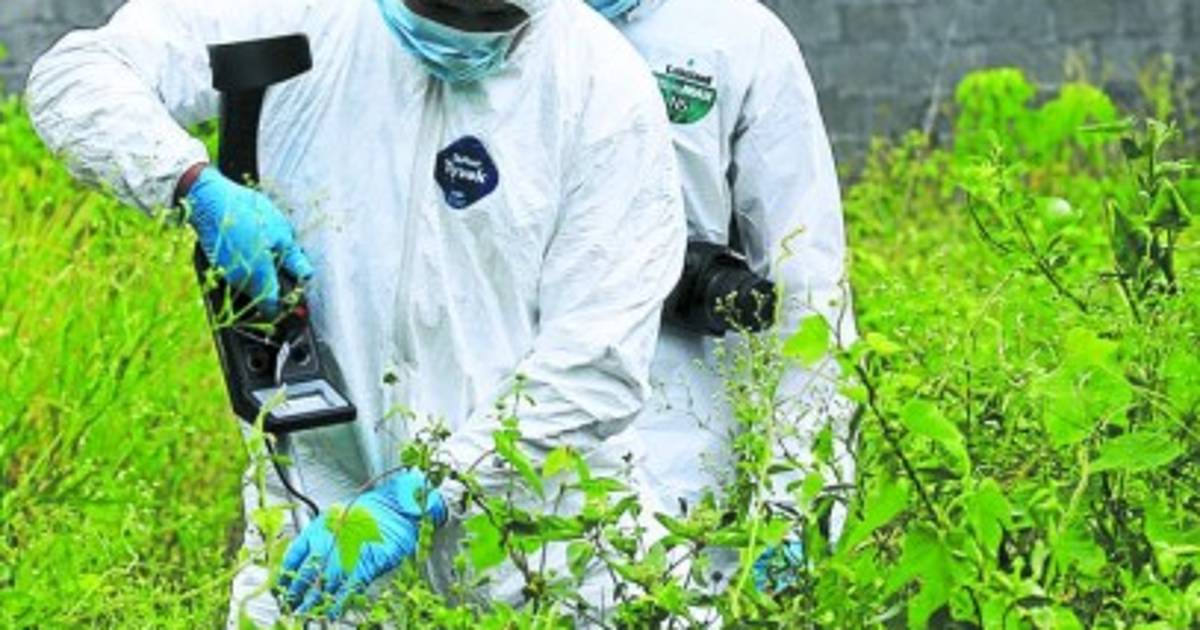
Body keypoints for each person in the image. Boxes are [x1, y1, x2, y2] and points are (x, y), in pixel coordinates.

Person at [27, 0, 685, 624]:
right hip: (315, 528)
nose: (461, 28)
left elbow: (595, 363)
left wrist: (429, 491)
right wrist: (190, 184)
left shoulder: (599, 88)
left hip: (536, 557)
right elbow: (77, 77)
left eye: (493, 13)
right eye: (440, 5)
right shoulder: (298, 14)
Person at [585, 0, 859, 590]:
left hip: (680, 459)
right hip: (509, 451)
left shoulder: (734, 36)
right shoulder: (468, 30)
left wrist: (799, 505)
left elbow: (806, 285)